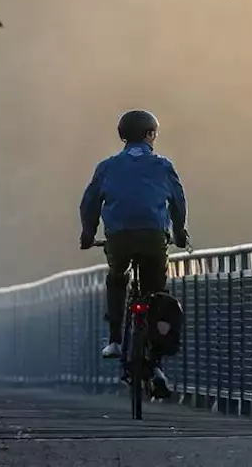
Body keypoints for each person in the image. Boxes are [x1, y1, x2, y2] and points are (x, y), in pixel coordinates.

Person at [79, 109, 190, 398]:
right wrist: (180, 233)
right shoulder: (163, 165)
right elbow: (178, 202)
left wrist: (88, 234)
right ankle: (155, 363)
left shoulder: (107, 166)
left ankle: (115, 339)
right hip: (154, 237)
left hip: (119, 237)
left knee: (117, 276)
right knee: (157, 294)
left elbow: (89, 203)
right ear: (150, 134)